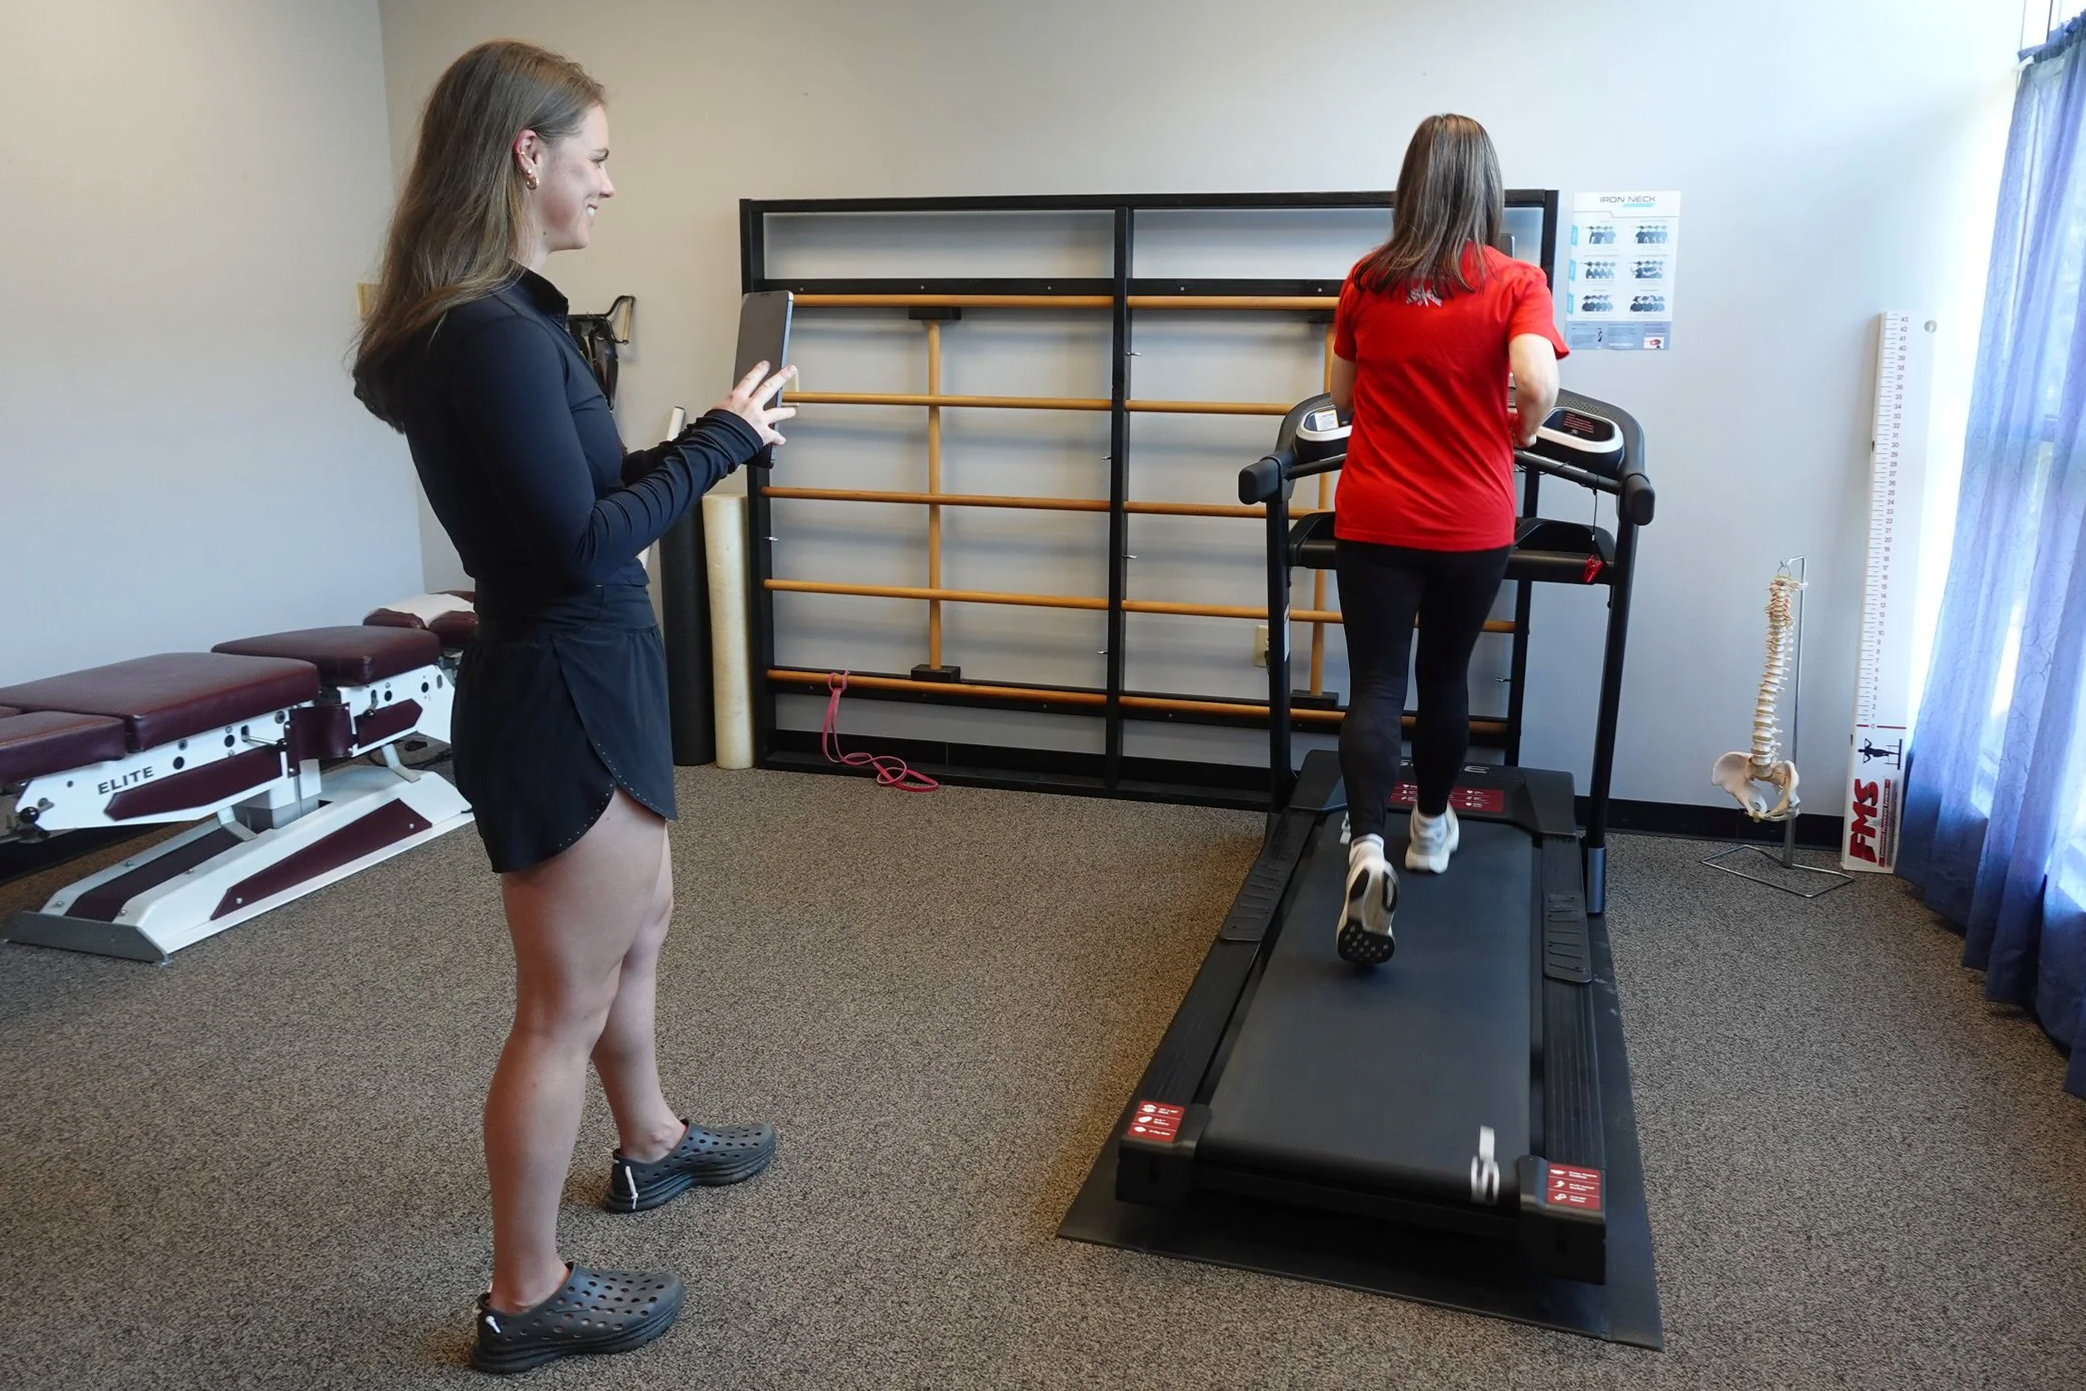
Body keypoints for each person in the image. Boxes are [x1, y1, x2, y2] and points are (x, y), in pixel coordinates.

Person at [350, 41, 794, 1373]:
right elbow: (575, 544)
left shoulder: (503, 314)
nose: (608, 182)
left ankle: (650, 1141)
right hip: (557, 686)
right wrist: (717, 450)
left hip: (590, 667)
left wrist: (712, 430)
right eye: (592, 156)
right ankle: (523, 1291)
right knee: (559, 1000)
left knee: (634, 932)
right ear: (524, 153)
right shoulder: (483, 332)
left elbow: (583, 491)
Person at [1326, 113, 1566, 967]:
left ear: (1410, 185)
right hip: (1471, 522)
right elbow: (1538, 379)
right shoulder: (1515, 280)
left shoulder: (1365, 280)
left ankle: (1364, 847)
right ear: (1487, 188)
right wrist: (1518, 429)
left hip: (1377, 514)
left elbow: (1343, 403)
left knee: (1378, 683)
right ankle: (1429, 830)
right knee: (1445, 676)